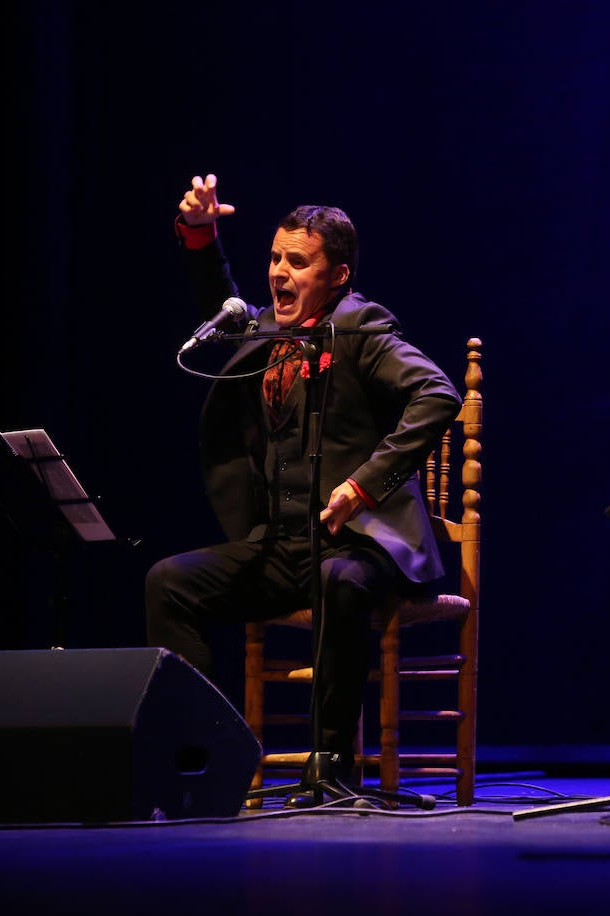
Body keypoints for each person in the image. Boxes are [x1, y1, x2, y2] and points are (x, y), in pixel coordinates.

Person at [146, 175, 462, 780]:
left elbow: (437, 392)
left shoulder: (363, 327)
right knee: (168, 583)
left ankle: (332, 765)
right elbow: (224, 301)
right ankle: (205, 754)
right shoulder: (268, 328)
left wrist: (362, 484)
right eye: (273, 258)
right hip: (283, 543)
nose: (278, 273)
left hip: (362, 547)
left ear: (336, 274)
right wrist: (199, 232)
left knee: (338, 578)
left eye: (298, 261)